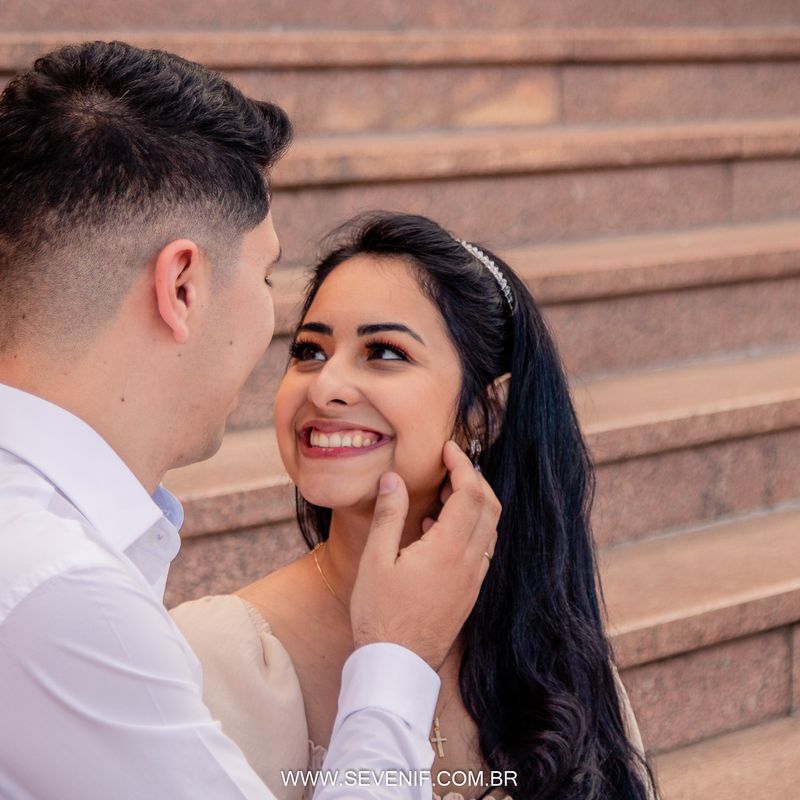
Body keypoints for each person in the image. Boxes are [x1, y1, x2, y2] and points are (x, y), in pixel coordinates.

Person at [0, 44, 500, 800]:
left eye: (384, 354)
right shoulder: (62, 591)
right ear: (182, 285)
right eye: (266, 276)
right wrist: (396, 656)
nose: (325, 386)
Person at [173, 213, 659, 800]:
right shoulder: (218, 653)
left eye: (384, 351)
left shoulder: (549, 647)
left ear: (485, 413)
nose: (324, 387)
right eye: (309, 351)